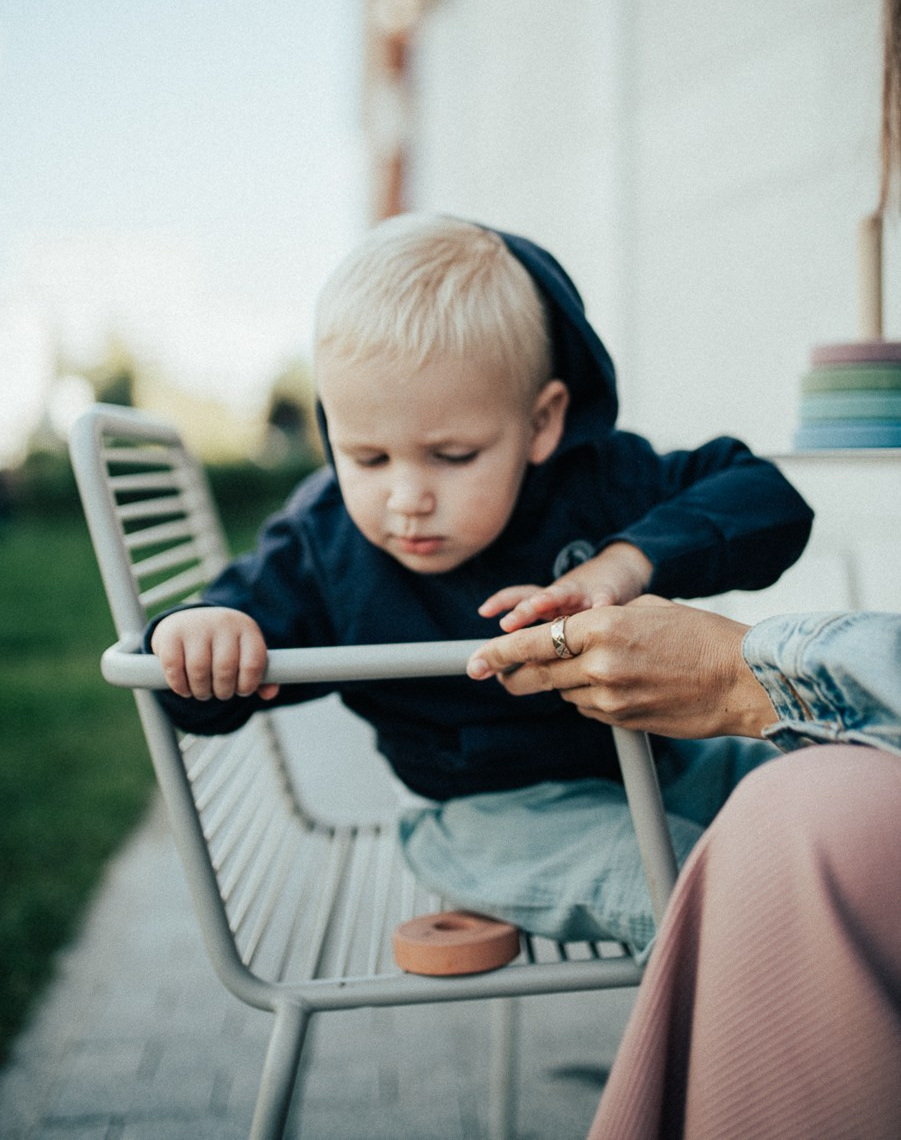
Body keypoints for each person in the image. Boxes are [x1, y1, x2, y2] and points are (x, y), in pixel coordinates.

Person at [147, 212, 813, 953]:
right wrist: (204, 637)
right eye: (366, 458)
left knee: (830, 790)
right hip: (484, 818)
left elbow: (766, 501)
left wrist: (625, 563)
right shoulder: (324, 540)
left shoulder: (594, 483)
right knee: (710, 893)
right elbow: (192, 685)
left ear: (542, 423)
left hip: (661, 762)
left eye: (453, 454)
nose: (406, 496)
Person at [467, 603, 901, 1137]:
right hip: (494, 805)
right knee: (743, 863)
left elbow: (756, 521)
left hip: (668, 766)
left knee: (757, 852)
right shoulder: (337, 560)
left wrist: (631, 559)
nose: (410, 511)